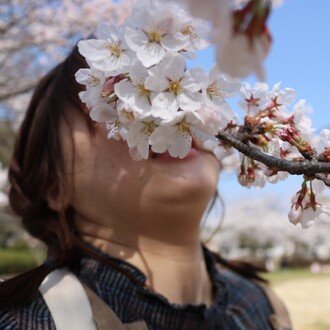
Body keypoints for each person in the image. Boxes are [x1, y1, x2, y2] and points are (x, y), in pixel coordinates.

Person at [0, 44, 291, 330]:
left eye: (179, 91)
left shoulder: (264, 306)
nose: (168, 111)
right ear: (54, 185)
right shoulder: (20, 322)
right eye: (115, 97)